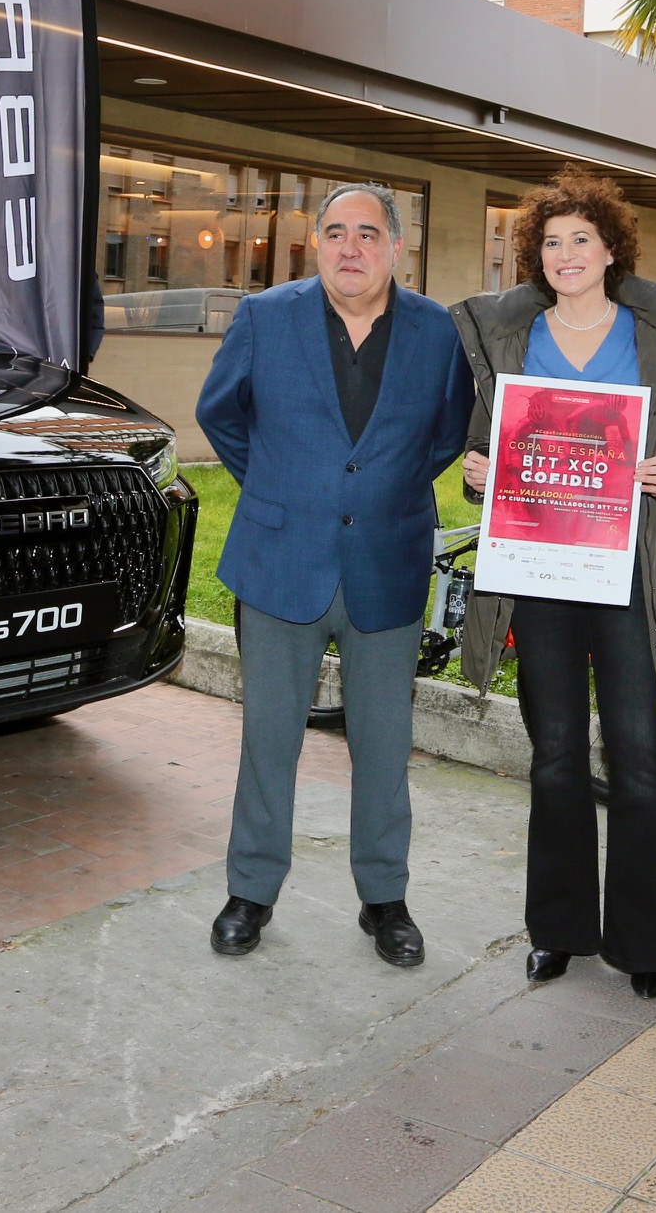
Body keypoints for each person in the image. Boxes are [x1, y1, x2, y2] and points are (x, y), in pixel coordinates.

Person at [195, 183, 474, 967]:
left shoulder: (435, 332)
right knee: (268, 739)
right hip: (280, 558)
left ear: (397, 248)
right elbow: (220, 414)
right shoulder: (265, 317)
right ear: (315, 243)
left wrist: (376, 492)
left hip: (387, 563)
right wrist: (283, 487)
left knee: (384, 745)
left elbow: (447, 434)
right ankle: (250, 891)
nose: (351, 248)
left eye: (369, 234)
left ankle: (384, 900)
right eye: (336, 233)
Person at [453, 168, 656, 999]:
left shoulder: (655, 338)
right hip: (541, 569)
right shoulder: (508, 339)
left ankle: (647, 945)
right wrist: (476, 469)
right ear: (537, 256)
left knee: (638, 754)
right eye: (552, 242)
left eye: (581, 240)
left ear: (611, 250)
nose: (567, 254)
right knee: (556, 754)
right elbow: (480, 448)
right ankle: (558, 929)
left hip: (627, 571)